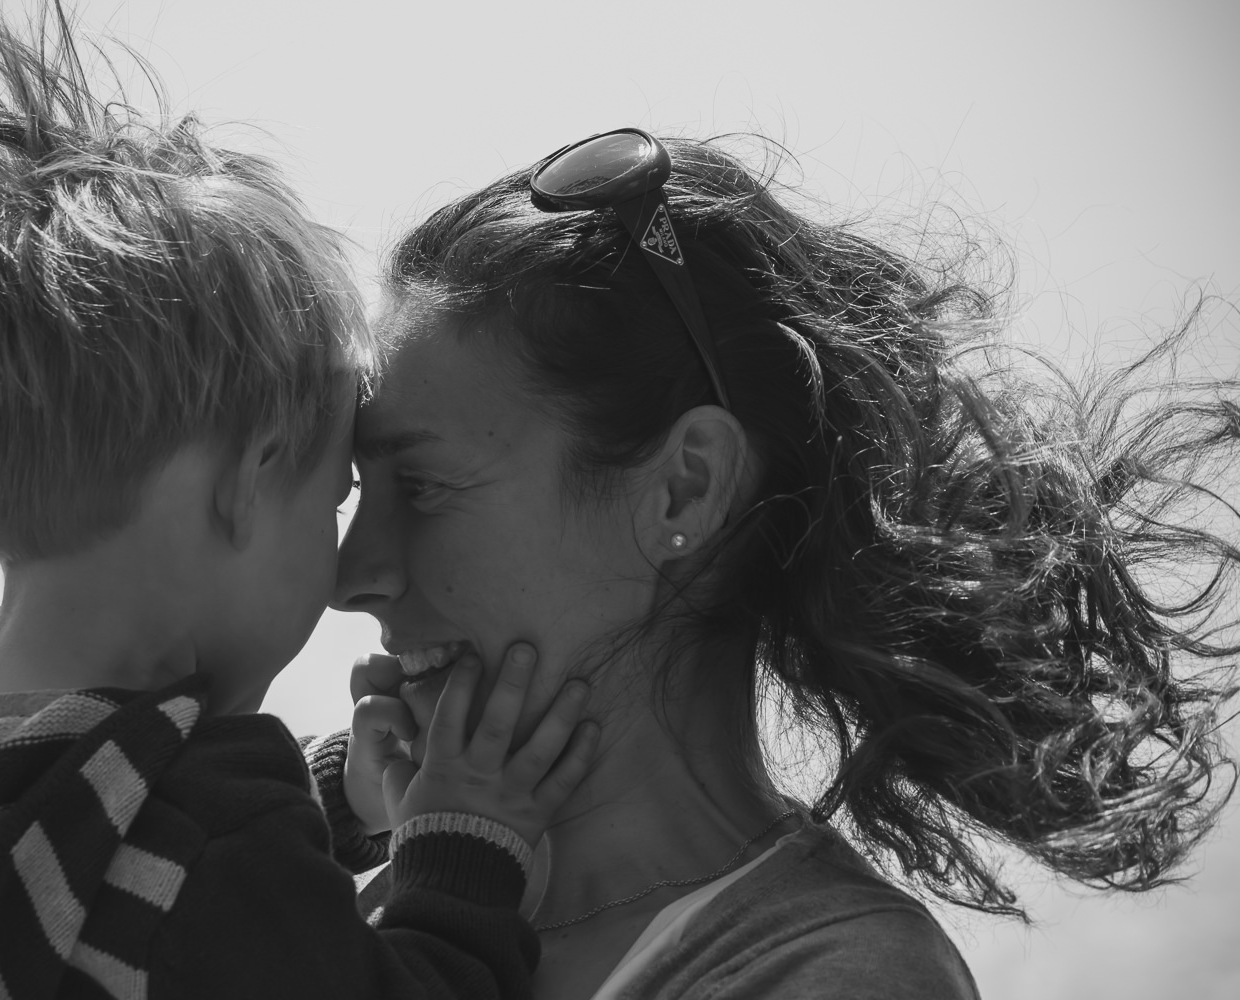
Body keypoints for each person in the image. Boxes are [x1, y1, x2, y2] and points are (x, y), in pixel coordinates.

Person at [0, 7, 600, 999]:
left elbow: (114, 846)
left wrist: (338, 797)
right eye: (335, 496)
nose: (347, 564)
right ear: (249, 479)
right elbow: (220, 894)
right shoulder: (217, 848)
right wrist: (462, 851)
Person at [333, 129, 1239, 999]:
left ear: (685, 489)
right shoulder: (385, 917)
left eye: (420, 486)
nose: (351, 575)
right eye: (351, 489)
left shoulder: (837, 978)